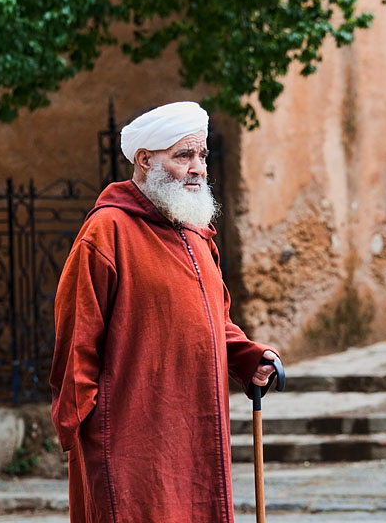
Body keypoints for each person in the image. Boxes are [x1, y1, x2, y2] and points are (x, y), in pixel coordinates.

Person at [50, 101, 280, 523]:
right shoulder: (107, 231)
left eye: (202, 155)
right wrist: (87, 430)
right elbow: (76, 337)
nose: (197, 167)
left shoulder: (196, 234)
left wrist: (248, 357)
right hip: (129, 437)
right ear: (144, 160)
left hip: (196, 429)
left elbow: (215, 320)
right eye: (183, 155)